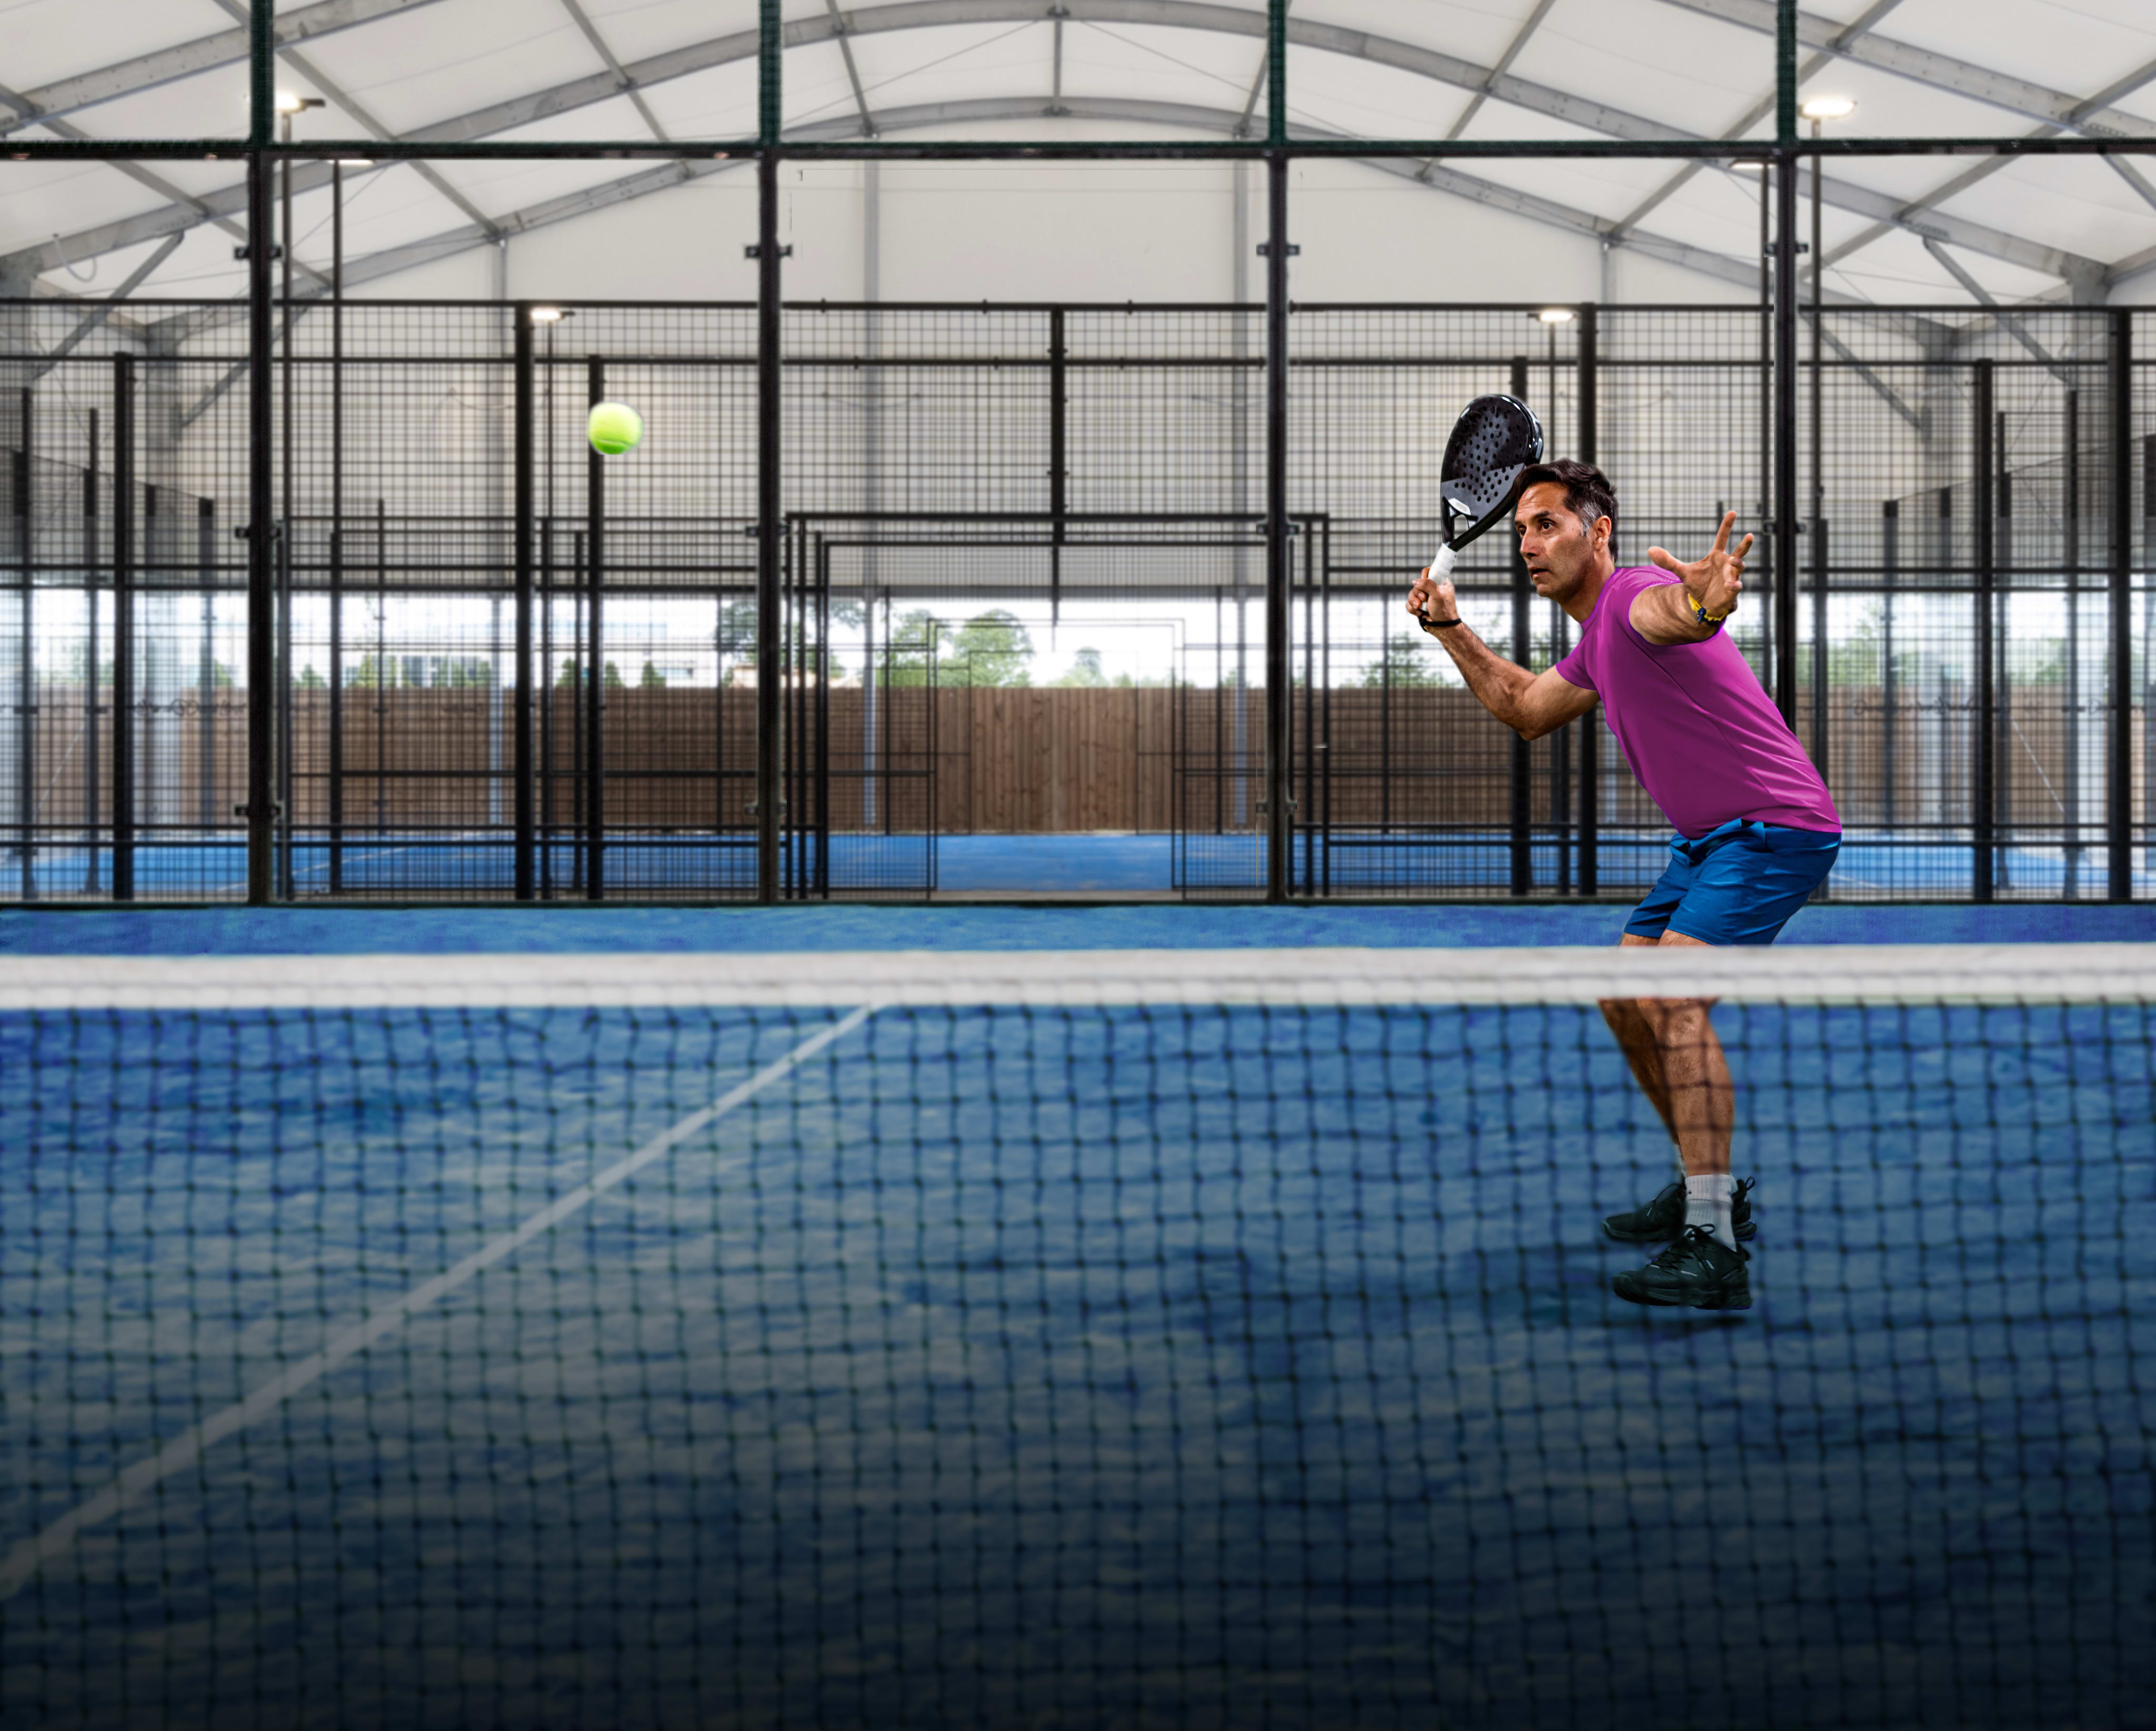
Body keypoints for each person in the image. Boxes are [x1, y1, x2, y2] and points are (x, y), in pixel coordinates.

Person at [1406, 460, 1839, 1312]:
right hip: (1708, 842)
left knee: (1671, 1000)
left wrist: (1708, 599)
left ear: (1596, 533)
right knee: (1622, 996)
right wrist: (1451, 629)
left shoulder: (1635, 596)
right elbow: (1527, 709)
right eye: (1522, 529)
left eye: (1547, 525)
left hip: (1774, 825)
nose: (1528, 543)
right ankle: (1700, 1180)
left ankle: (1712, 1240)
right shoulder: (1596, 638)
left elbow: (1681, 612)